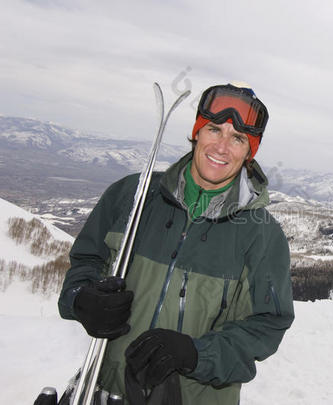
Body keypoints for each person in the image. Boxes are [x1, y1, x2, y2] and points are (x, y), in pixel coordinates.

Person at [58, 82, 294, 404]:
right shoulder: (132, 195)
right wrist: (80, 298)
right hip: (105, 388)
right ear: (197, 132)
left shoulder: (262, 235)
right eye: (214, 129)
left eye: (237, 138)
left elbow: (267, 326)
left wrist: (197, 354)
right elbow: (85, 263)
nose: (222, 147)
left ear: (249, 151)